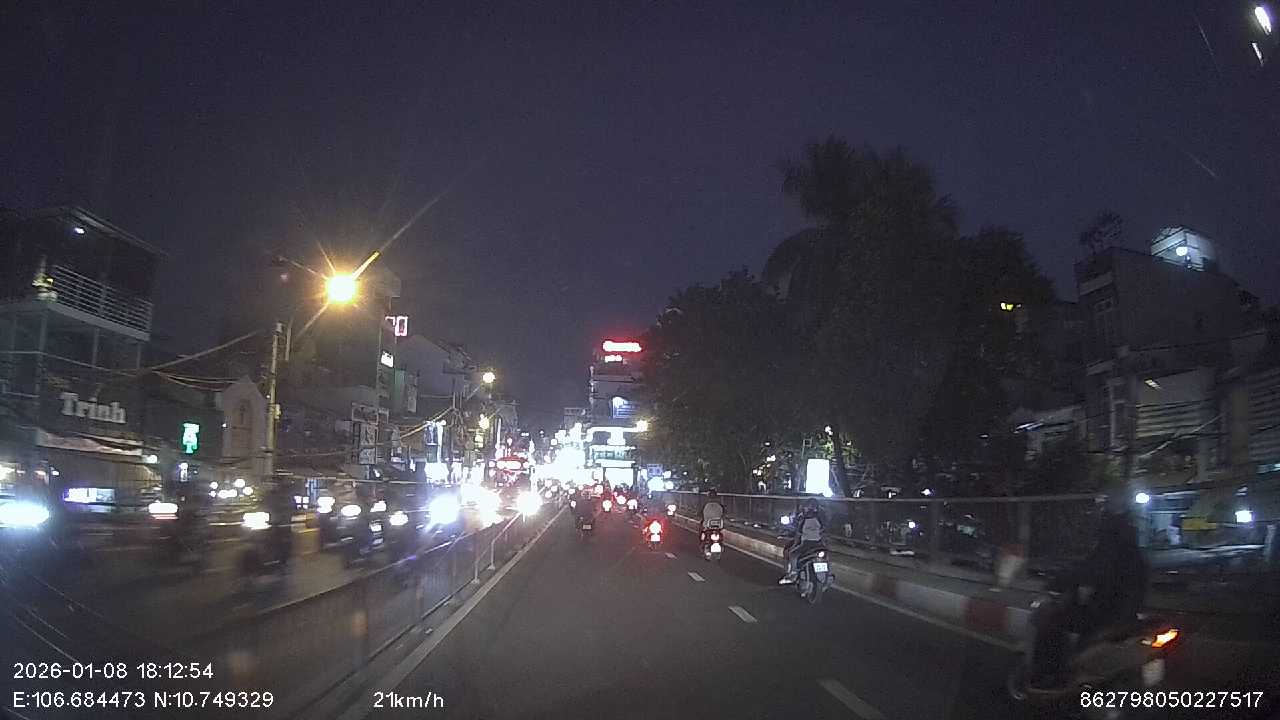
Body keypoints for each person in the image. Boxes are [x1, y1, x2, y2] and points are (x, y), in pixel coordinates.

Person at [1029, 497, 1148, 688]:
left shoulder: (1111, 543)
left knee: (1052, 622)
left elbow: (1090, 571)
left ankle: (1050, 675)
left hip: (1106, 613)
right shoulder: (1132, 547)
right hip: (1126, 612)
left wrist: (1059, 580)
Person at [779, 501, 824, 584]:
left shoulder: (803, 520)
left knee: (792, 554)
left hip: (806, 543)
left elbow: (798, 534)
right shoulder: (820, 519)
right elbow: (823, 530)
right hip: (819, 543)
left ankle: (793, 574)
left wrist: (794, 546)